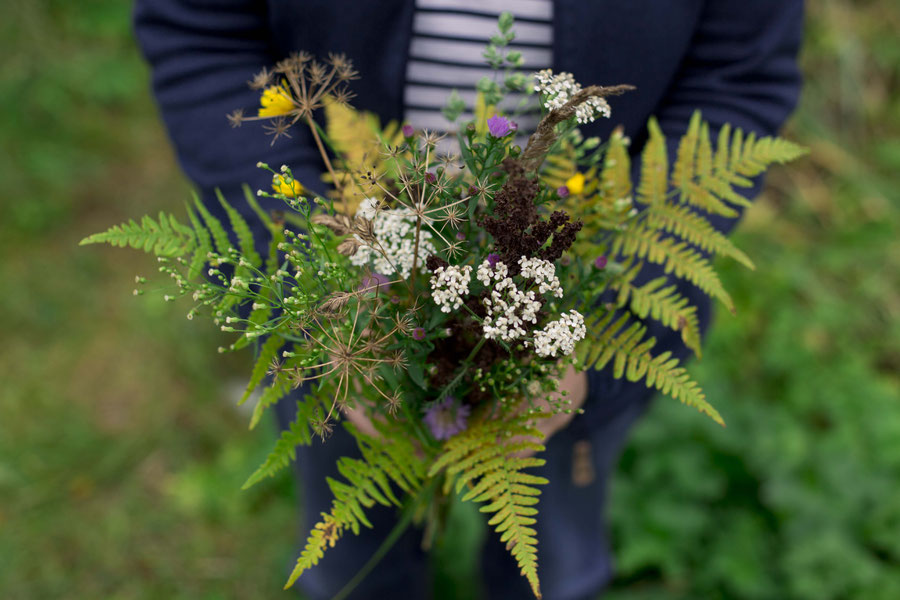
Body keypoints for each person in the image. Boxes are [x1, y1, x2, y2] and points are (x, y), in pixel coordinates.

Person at [133, 2, 803, 598]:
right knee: (351, 554)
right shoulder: (333, 311)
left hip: (572, 338)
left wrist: (592, 321)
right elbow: (199, 32)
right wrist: (320, 288)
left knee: (551, 559)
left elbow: (740, 73)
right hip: (343, 324)